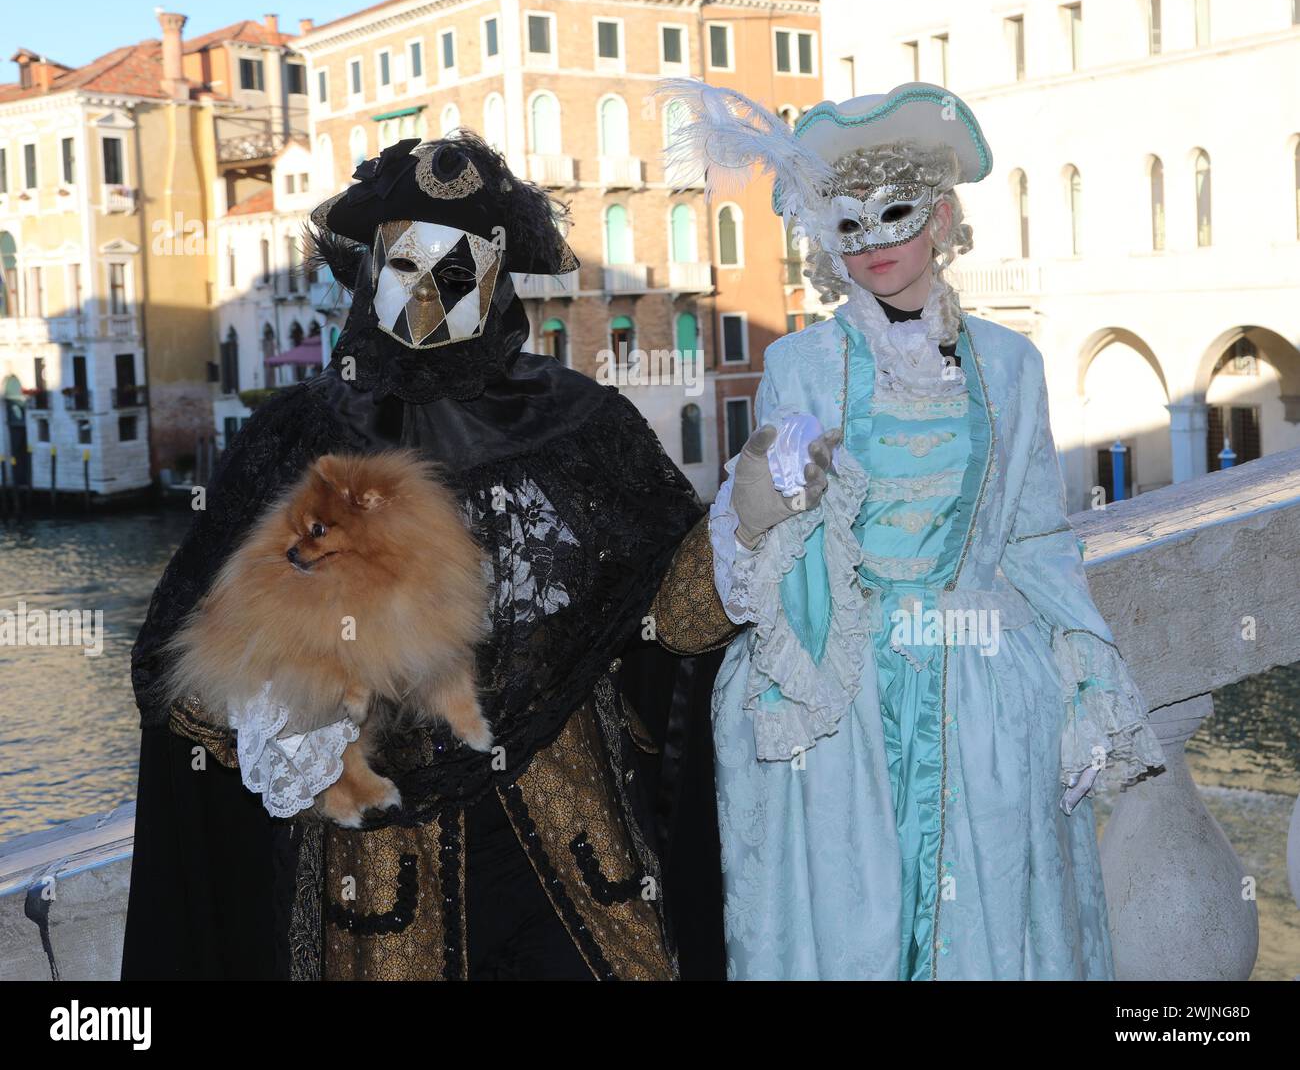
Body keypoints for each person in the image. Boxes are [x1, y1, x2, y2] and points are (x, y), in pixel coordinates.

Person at [121, 131, 741, 980]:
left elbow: (669, 623)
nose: (427, 290)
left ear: (497, 276)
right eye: (405, 262)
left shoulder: (584, 425)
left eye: (457, 266)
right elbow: (187, 664)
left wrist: (748, 522)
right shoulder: (298, 438)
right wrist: (279, 700)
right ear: (369, 268)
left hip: (571, 858)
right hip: (378, 876)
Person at [656, 78, 1165, 980]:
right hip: (841, 700)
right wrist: (767, 498)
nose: (875, 245)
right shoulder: (801, 365)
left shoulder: (1012, 365)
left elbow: (1037, 533)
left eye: (893, 216)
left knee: (988, 924)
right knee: (853, 925)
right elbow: (771, 540)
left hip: (982, 693)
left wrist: (1085, 661)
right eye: (847, 226)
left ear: (938, 215)